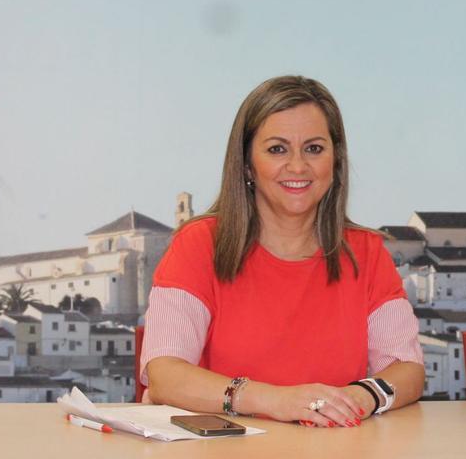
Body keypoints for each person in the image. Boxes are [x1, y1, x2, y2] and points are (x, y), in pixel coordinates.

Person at [140, 76, 424, 428]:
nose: (298, 166)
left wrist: (360, 397)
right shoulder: (197, 244)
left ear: (335, 162)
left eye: (314, 148)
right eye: (277, 149)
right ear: (247, 165)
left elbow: (407, 370)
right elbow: (166, 374)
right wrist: (277, 400)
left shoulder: (365, 252)